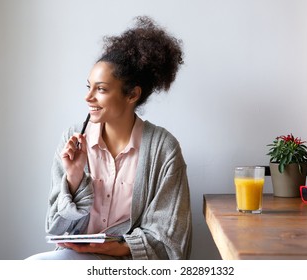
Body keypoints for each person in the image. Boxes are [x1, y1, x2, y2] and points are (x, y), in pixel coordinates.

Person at [27, 16, 192, 260]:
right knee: (33, 265)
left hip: (132, 261)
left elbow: (170, 236)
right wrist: (73, 178)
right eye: (88, 87)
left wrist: (121, 248)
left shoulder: (163, 148)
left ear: (132, 94)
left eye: (101, 89)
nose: (88, 97)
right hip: (76, 259)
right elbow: (55, 228)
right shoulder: (72, 139)